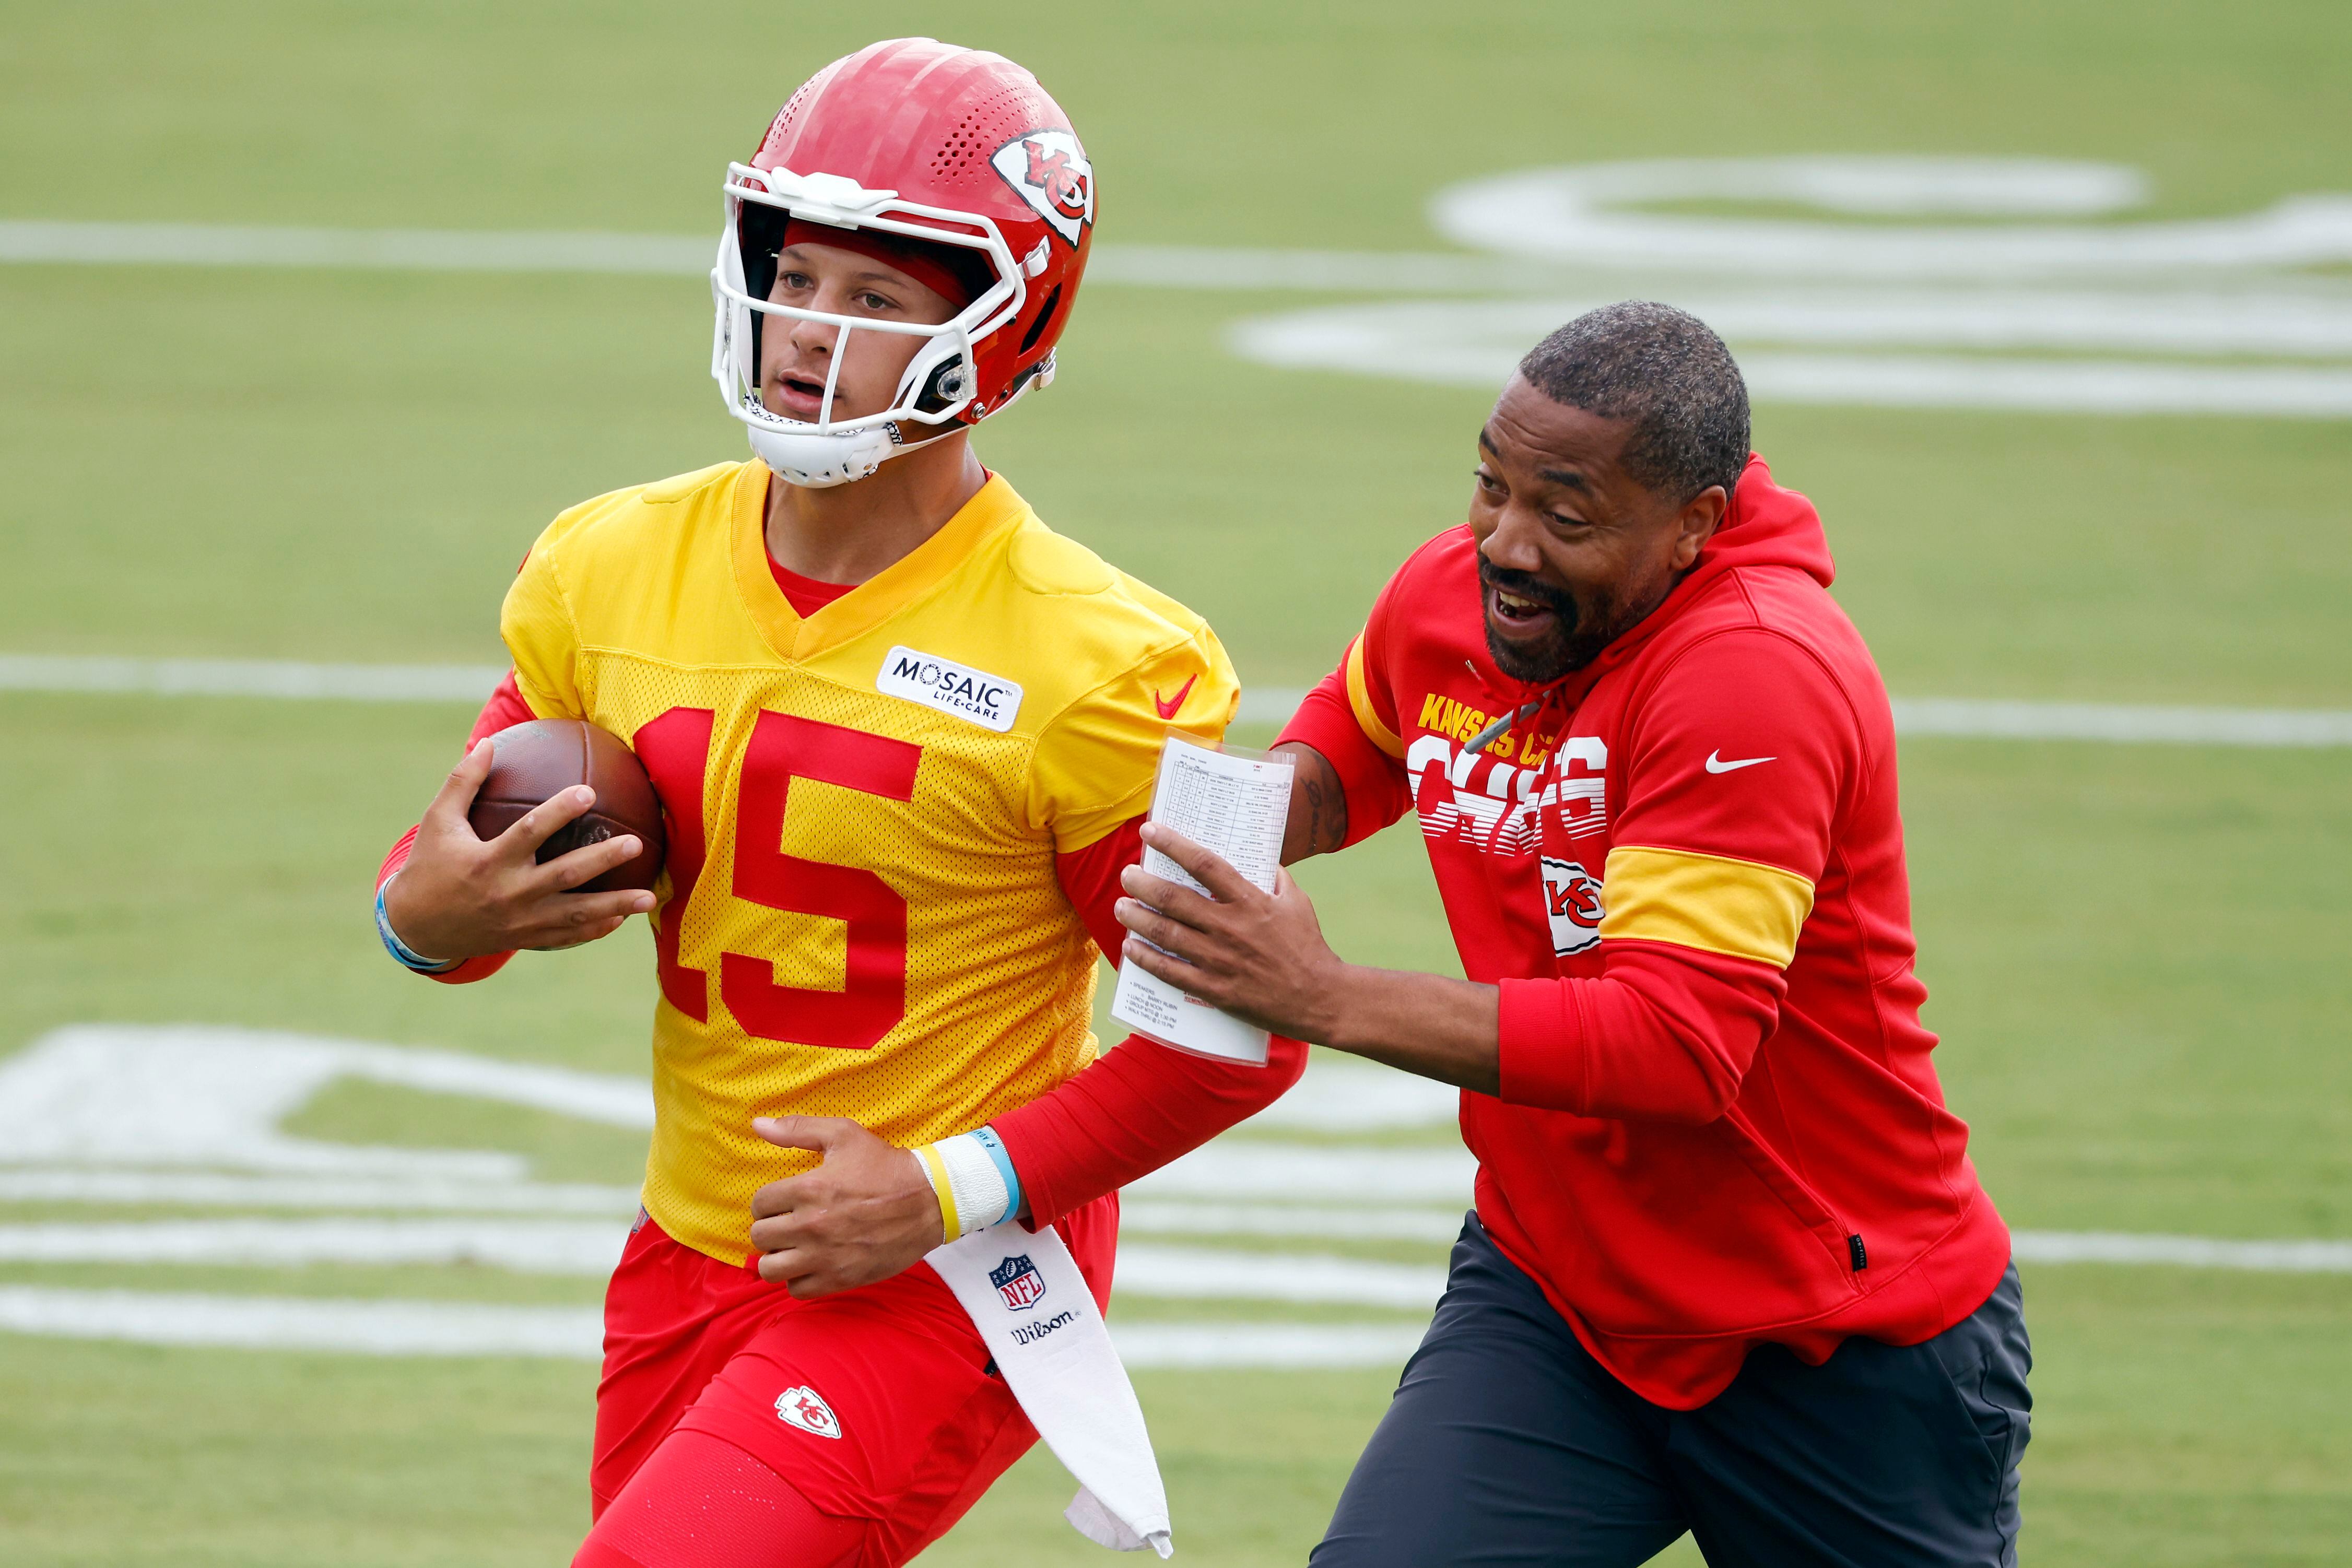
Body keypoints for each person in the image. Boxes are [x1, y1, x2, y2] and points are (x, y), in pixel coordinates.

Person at [372, 38, 1304, 1568]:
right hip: (691, 1244)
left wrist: (946, 1187)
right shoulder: (607, 559)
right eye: (796, 275)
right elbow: (451, 884)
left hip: (950, 1267)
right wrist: (423, 915)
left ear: (1008, 326)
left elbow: (1240, 1038)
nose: (812, 332)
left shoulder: (1118, 658)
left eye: (877, 299)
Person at [1113, 302, 2030, 1566]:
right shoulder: (1458, 591)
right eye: (1489, 488)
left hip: (1836, 1340)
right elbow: (1361, 735)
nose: (1504, 544)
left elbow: (1675, 1048)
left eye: (1565, 514)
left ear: (1694, 523)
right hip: (1559, 1301)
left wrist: (1319, 994)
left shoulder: (1753, 671)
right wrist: (1235, 822)